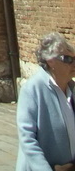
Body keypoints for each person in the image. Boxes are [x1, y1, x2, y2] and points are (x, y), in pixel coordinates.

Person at [15, 31, 75, 171]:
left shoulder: (72, 88)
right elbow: (27, 139)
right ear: (51, 60)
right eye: (67, 59)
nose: (73, 64)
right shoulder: (32, 89)